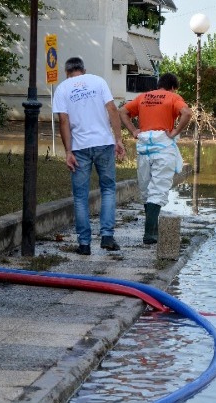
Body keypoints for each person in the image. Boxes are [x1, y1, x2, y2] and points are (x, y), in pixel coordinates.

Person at [54, 57, 126, 255]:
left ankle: (84, 244)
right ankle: (107, 237)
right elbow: (112, 109)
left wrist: (68, 151)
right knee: (108, 189)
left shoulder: (62, 88)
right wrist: (118, 139)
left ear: (66, 72)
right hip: (103, 143)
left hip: (79, 147)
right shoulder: (98, 81)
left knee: (80, 197)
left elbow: (63, 120)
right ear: (83, 70)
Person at [118, 73, 192, 244]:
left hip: (144, 149)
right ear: (173, 87)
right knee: (158, 189)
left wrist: (133, 131)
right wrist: (174, 132)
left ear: (159, 84)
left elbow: (122, 111)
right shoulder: (173, 97)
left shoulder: (143, 97)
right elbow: (186, 113)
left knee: (146, 189)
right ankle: (150, 234)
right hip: (163, 149)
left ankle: (153, 229)